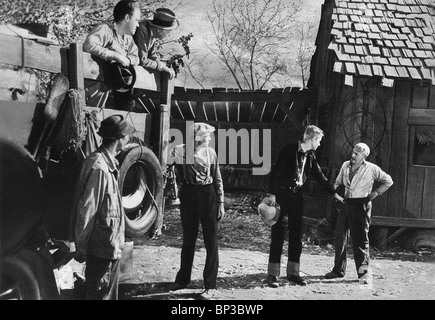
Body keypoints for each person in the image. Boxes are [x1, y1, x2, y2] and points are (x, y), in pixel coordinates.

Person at [266, 125, 343, 287]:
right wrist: (272, 193)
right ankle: (272, 275)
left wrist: (334, 193)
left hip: (297, 197)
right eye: (319, 140)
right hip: (281, 195)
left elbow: (320, 177)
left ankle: (293, 273)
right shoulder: (288, 150)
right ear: (312, 139)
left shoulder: (311, 156)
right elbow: (276, 172)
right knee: (278, 234)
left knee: (296, 235)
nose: (320, 144)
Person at [72, 115, 135, 300]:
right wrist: (81, 246)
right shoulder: (99, 167)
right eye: (127, 136)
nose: (129, 139)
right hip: (101, 250)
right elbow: (87, 210)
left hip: (109, 247)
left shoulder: (108, 164)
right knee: (100, 296)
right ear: (118, 139)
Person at [169, 122, 225, 300]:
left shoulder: (211, 153)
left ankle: (210, 285)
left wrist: (221, 202)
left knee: (211, 240)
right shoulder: (179, 150)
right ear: (195, 138)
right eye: (204, 138)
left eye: (208, 138)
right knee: (188, 238)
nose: (207, 141)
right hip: (188, 193)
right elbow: (171, 169)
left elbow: (217, 177)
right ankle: (183, 279)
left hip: (207, 194)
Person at [325, 143, 393, 284]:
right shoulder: (345, 165)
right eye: (353, 152)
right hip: (346, 204)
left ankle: (363, 275)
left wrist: (376, 192)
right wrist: (337, 195)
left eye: (357, 154)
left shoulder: (372, 168)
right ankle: (338, 270)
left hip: (362, 205)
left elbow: (388, 181)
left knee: (361, 240)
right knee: (340, 238)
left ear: (364, 157)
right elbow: (337, 183)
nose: (353, 155)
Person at [83, 0, 141, 111]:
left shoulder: (128, 39)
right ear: (127, 17)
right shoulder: (105, 29)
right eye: (136, 20)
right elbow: (89, 45)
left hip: (106, 89)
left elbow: (136, 58)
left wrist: (127, 60)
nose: (138, 24)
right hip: (89, 87)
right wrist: (115, 55)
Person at [133, 7, 179, 80]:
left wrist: (164, 67)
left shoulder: (153, 33)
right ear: (159, 29)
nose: (168, 34)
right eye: (167, 31)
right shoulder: (142, 30)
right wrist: (160, 66)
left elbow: (152, 54)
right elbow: (143, 60)